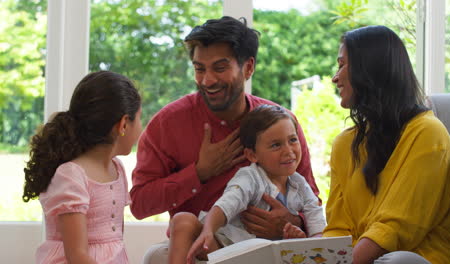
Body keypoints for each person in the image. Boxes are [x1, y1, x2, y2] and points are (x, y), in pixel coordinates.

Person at [130, 16, 320, 263]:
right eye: (200, 69)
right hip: (203, 249)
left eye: (220, 68)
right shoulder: (168, 123)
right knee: (155, 256)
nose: (208, 80)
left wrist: (291, 222)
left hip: (272, 249)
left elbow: (311, 198)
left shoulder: (282, 124)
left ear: (248, 67)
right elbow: (140, 205)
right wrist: (199, 173)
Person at [321, 25, 450, 264]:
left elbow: (398, 226)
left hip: (415, 258)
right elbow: (337, 229)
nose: (335, 77)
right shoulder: (344, 145)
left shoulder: (428, 133)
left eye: (342, 64)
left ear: (370, 69)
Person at [164, 105, 326, 264]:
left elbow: (317, 223)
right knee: (182, 220)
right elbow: (226, 204)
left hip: (267, 253)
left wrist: (308, 242)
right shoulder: (250, 177)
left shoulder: (300, 184)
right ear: (252, 155)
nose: (288, 150)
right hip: (228, 247)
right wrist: (208, 230)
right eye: (276, 145)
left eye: (292, 140)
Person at [22, 71, 142, 264]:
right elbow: (77, 256)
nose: (141, 127)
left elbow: (116, 243)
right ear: (123, 125)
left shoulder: (117, 169)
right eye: (140, 118)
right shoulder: (71, 175)